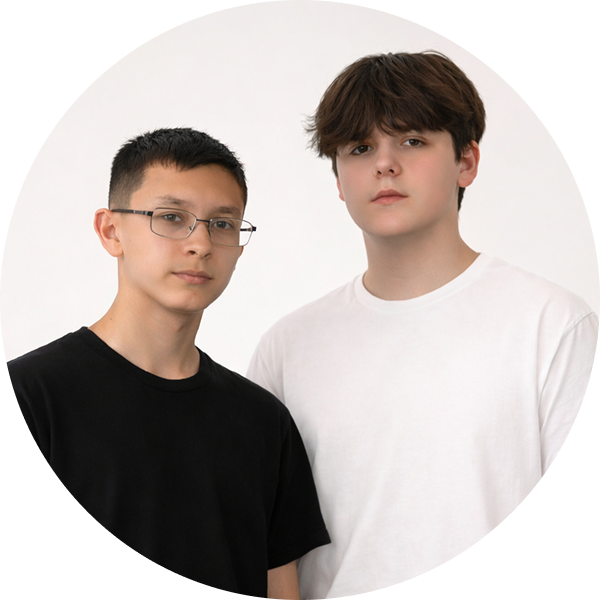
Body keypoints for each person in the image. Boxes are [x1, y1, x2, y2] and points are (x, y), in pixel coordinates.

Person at [247, 53, 598, 597]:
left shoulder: (551, 325)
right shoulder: (287, 348)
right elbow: (266, 544)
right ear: (338, 179)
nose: (385, 164)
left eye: (412, 140)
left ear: (466, 162)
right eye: (360, 148)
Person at [8, 128, 330, 597]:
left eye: (223, 224)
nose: (201, 243)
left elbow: (280, 587)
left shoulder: (264, 422)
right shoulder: (33, 397)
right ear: (111, 231)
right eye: (172, 217)